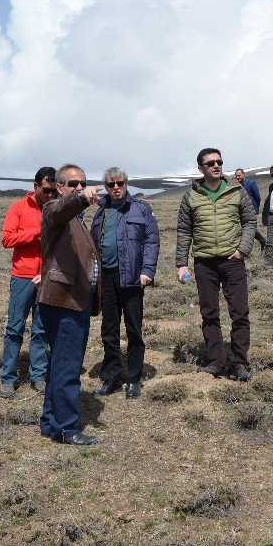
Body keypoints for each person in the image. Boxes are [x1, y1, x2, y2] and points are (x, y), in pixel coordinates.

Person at [175, 148, 257, 381]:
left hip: (233, 262)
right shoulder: (191, 196)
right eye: (210, 163)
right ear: (200, 168)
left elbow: (250, 221)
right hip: (204, 263)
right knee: (209, 314)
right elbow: (184, 231)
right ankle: (216, 361)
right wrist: (182, 264)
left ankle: (240, 362)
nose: (216, 166)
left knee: (240, 313)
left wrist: (243, 249)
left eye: (219, 162)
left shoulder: (236, 191)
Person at [37, 164, 104, 445]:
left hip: (74, 300)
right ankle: (67, 428)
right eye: (73, 184)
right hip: (65, 301)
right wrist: (81, 198)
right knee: (68, 367)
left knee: (59, 364)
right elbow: (61, 210)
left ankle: (51, 421)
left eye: (83, 184)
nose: (79, 187)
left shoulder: (76, 219)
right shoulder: (54, 209)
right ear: (60, 187)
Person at [90, 167, 160, 399]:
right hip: (106, 278)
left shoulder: (141, 208)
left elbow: (152, 241)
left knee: (133, 328)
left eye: (120, 183)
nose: (116, 187)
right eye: (110, 185)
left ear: (127, 183)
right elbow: (92, 245)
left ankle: (133, 378)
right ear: (106, 187)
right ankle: (111, 375)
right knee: (109, 329)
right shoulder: (100, 211)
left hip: (131, 276)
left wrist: (148, 269)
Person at [0, 167, 57, 398]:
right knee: (15, 328)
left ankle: (38, 375)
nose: (50, 195)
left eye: (54, 191)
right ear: (35, 186)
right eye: (46, 190)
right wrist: (36, 232)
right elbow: (7, 239)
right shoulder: (18, 208)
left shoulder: (56, 209)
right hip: (22, 277)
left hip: (47, 278)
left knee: (41, 330)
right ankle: (8, 377)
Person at [234, 168, 266, 252]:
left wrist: (255, 209)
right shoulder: (236, 186)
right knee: (242, 229)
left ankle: (262, 242)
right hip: (240, 211)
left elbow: (257, 197)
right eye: (236, 176)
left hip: (251, 211)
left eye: (239, 175)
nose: (238, 177)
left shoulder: (251, 183)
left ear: (244, 175)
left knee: (250, 229)